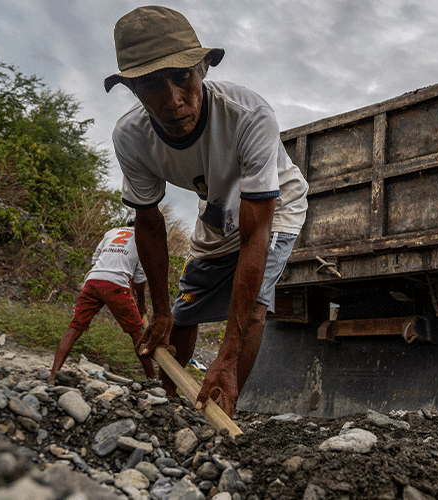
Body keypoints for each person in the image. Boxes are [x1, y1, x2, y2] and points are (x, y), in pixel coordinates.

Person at [104, 6, 308, 416]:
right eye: (150, 86)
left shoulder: (249, 116)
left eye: (183, 78)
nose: (173, 101)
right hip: (216, 209)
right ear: (132, 90)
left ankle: (223, 405)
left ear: (203, 70)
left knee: (251, 310)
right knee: (181, 315)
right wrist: (159, 309)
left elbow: (255, 236)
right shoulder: (132, 138)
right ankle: (170, 407)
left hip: (274, 208)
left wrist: (227, 355)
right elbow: (148, 223)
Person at [49, 221, 155, 381]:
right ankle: (152, 378)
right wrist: (141, 304)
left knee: (74, 328)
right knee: (137, 332)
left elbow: (96, 259)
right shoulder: (143, 239)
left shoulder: (111, 232)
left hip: (93, 280)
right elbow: (140, 279)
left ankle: (52, 374)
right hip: (116, 285)